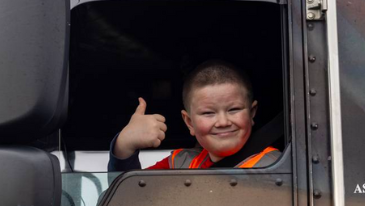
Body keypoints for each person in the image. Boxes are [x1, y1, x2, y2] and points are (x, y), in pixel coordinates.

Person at [109, 60, 279, 171]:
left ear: (252, 113)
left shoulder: (278, 166)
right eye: (208, 113)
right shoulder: (180, 164)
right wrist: (124, 146)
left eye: (233, 110)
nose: (222, 122)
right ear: (189, 122)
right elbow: (127, 202)